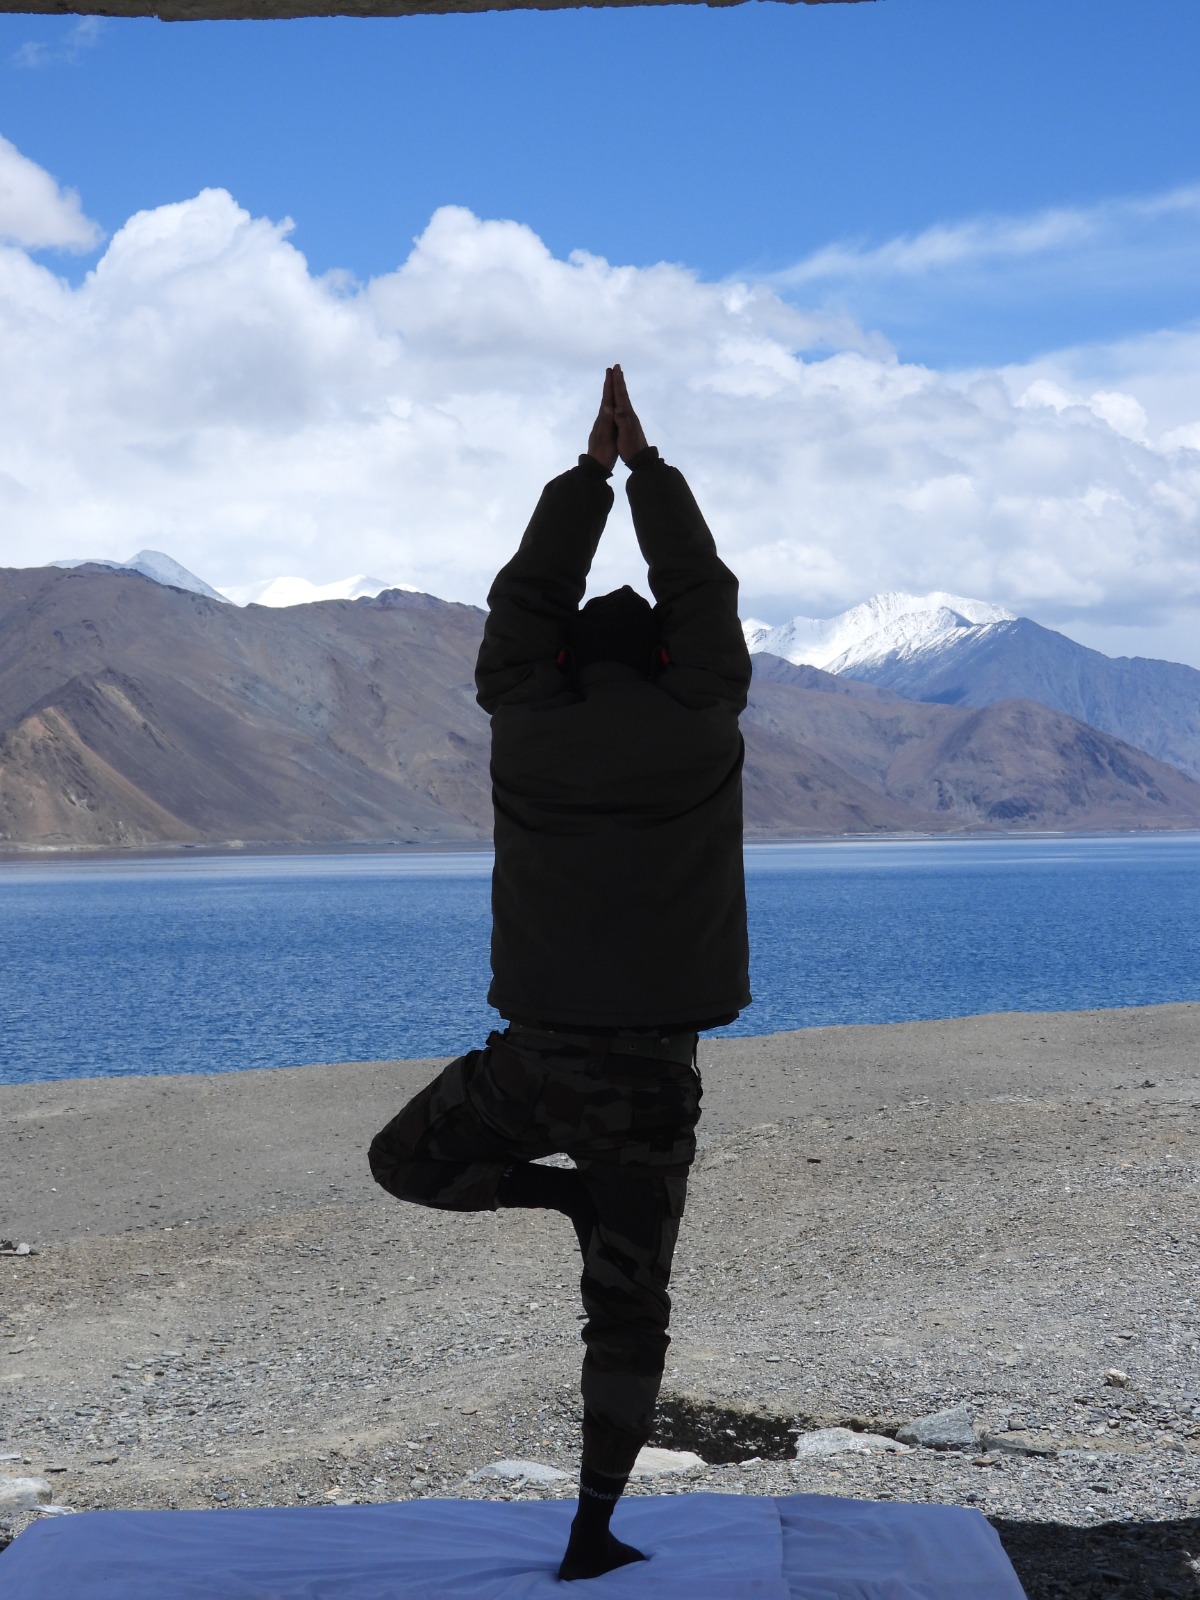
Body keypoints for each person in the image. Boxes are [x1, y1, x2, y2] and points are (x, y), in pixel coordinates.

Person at [369, 365, 751, 1582]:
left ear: (567, 664)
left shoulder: (525, 722)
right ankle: (592, 1529)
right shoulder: (704, 717)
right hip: (648, 1077)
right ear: (672, 656)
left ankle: (558, 1201)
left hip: (531, 1066)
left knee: (404, 1160)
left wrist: (589, 476)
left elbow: (522, 606)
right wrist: (650, 472)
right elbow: (706, 590)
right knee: (629, 1308)